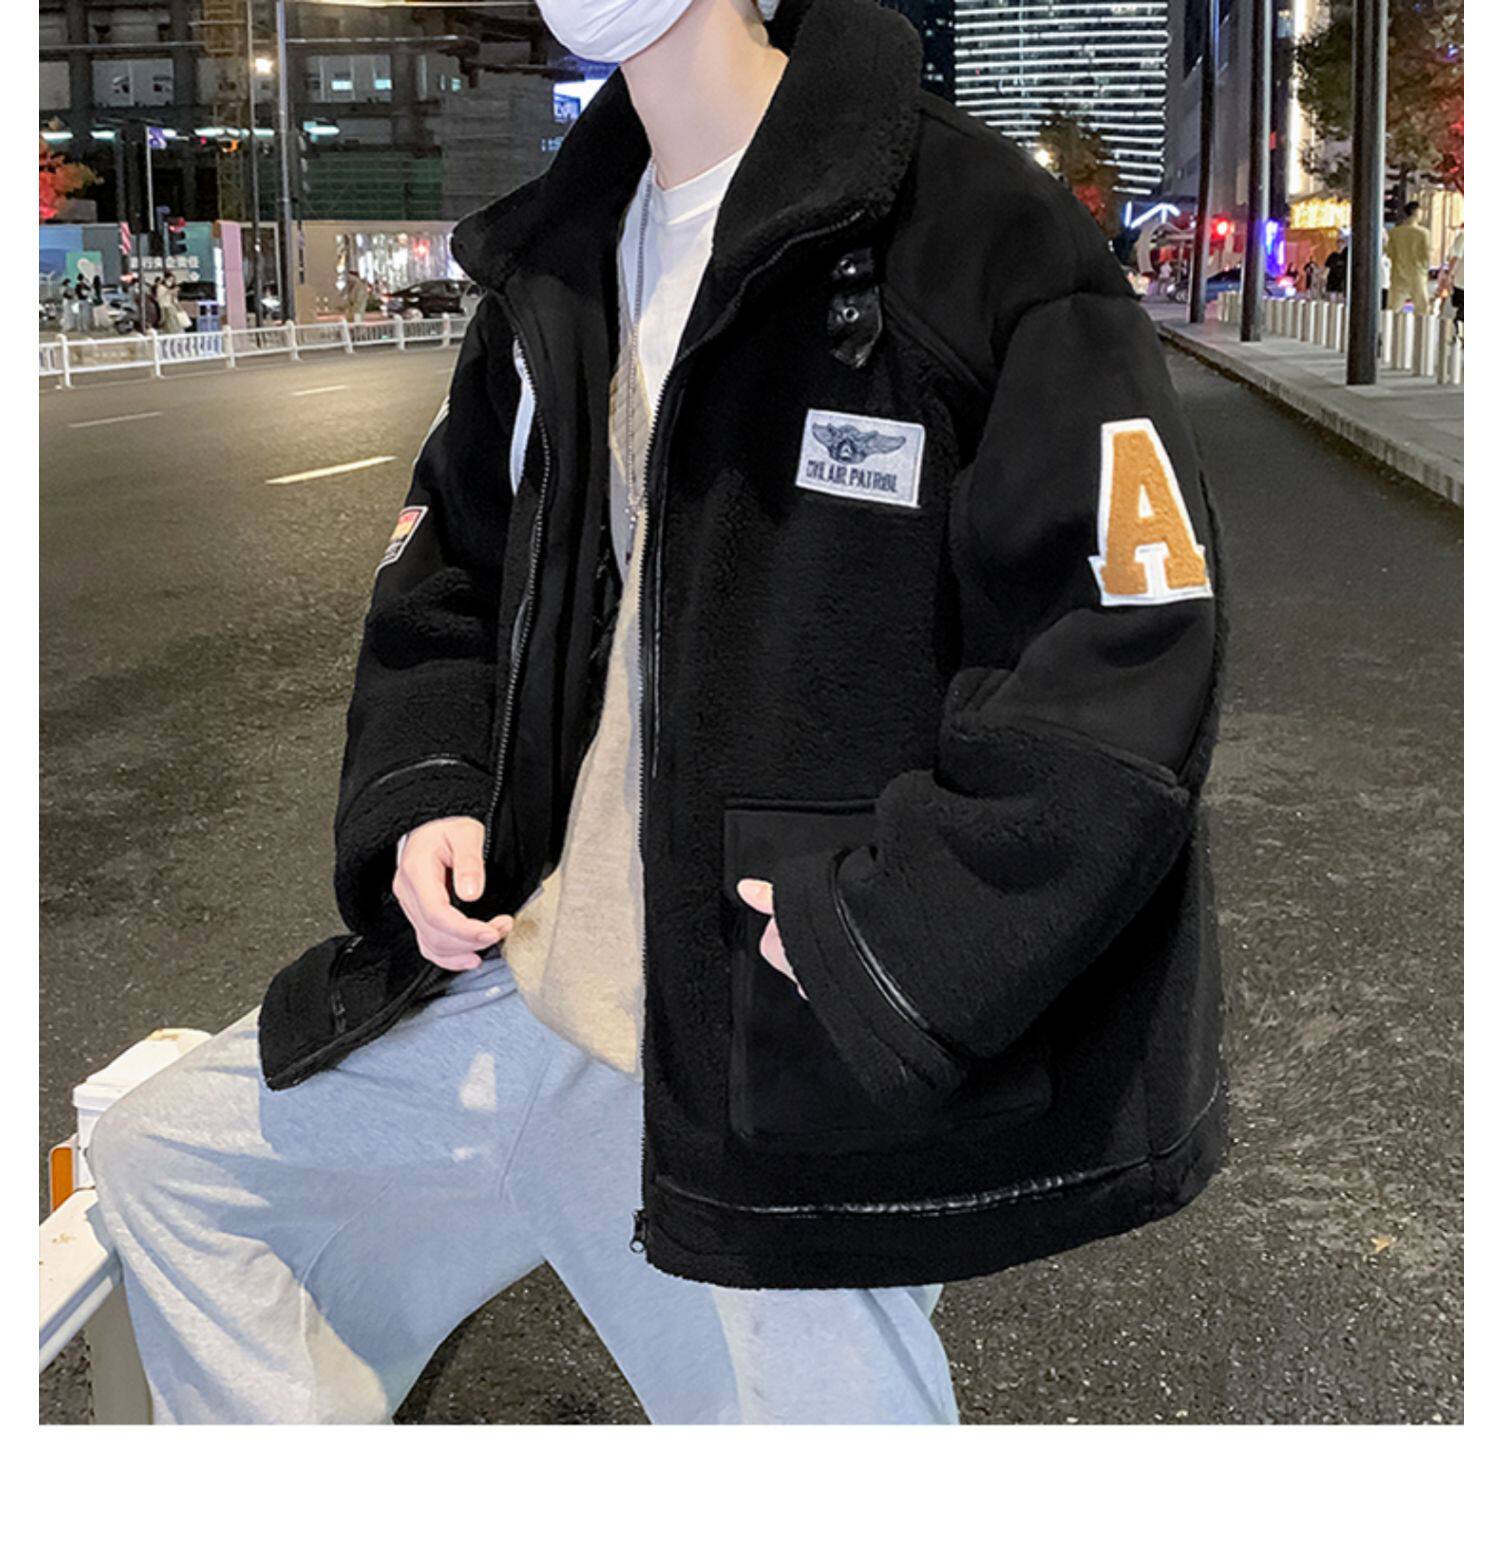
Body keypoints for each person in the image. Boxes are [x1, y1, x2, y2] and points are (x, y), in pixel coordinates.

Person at [89, 0, 1227, 1426]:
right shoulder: (557, 255)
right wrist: (428, 787)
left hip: (773, 1023)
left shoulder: (975, 229)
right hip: (532, 985)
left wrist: (893, 936)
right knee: (170, 1167)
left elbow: (1123, 634)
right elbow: (449, 565)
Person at [1386, 200, 1431, 314]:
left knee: (1393, 308)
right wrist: (1425, 268)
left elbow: (1389, 252)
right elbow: (1426, 255)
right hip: (1417, 274)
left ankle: (1388, 325)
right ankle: (1420, 326)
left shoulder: (1394, 233)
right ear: (1415, 212)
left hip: (1398, 273)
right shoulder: (1423, 233)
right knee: (1423, 308)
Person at [1443, 223, 1464, 336]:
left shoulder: (1463, 236)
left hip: (1462, 283)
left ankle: (1458, 333)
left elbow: (1455, 257)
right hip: (1461, 282)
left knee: (1461, 311)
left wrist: (1448, 276)